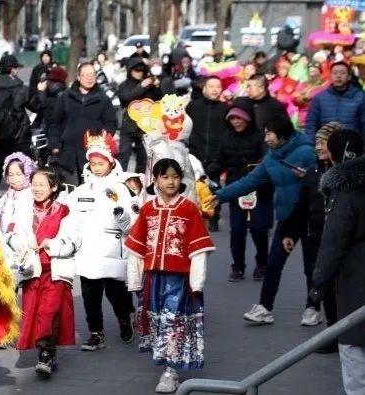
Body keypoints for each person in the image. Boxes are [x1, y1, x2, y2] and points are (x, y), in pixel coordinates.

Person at [211, 114, 316, 325]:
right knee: (274, 264)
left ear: (282, 134)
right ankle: (265, 308)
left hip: (310, 217)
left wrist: (309, 177)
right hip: (288, 219)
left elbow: (322, 180)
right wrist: (220, 196)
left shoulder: (307, 152)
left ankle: (313, 307)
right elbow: (249, 182)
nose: (266, 138)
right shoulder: (271, 158)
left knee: (311, 265)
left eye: (269, 133)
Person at [126, 158, 215, 394]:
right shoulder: (147, 210)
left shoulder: (188, 210)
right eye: (165, 177)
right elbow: (136, 248)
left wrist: (197, 282)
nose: (171, 181)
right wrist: (134, 281)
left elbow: (199, 250)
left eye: (175, 176)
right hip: (153, 279)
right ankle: (166, 363)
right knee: (156, 321)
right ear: (154, 180)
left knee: (173, 321)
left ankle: (170, 370)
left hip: (179, 279)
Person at [57, 131, 135, 351]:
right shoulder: (81, 191)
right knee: (90, 296)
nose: (97, 168)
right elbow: (71, 219)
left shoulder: (121, 189)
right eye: (93, 164)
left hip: (112, 251)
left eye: (101, 163)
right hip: (88, 252)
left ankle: (124, 319)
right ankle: (95, 332)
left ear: (110, 163)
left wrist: (123, 217)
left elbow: (132, 220)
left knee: (116, 293)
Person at [310, 128, 365, 395]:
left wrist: (319, 284)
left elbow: (333, 241)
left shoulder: (344, 191)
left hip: (356, 279)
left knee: (353, 346)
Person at [281, 122, 344, 340]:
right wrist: (289, 232)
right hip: (317, 238)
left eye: (323, 141)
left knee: (341, 289)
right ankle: (333, 335)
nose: (317, 147)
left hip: (342, 241)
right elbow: (301, 206)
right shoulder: (313, 172)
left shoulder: (347, 172)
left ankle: (344, 334)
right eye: (316, 141)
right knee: (325, 287)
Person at [14, 168, 74, 376]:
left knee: (49, 312)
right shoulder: (23, 209)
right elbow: (10, 234)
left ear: (54, 187)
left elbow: (73, 241)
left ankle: (46, 354)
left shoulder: (64, 210)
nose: (37, 189)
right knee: (32, 313)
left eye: (42, 184)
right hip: (32, 271)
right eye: (34, 184)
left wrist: (52, 244)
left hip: (54, 271)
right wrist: (22, 244)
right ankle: (44, 350)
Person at [211, 107, 272, 282]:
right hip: (235, 189)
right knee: (237, 231)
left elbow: (268, 161)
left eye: (240, 118)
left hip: (259, 188)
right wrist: (204, 174)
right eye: (232, 118)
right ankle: (238, 266)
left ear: (248, 118)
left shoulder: (261, 137)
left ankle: (262, 264)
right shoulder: (226, 137)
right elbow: (219, 162)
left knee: (258, 229)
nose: (236, 122)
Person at [47, 63, 119, 184]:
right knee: (70, 191)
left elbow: (111, 123)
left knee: (91, 191)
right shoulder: (65, 97)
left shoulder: (103, 99)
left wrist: (101, 140)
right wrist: (55, 145)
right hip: (67, 152)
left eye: (92, 75)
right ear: (79, 77)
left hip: (93, 152)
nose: (89, 78)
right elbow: (55, 122)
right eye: (85, 75)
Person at [0, 54, 36, 211]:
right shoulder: (22, 90)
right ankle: (30, 205)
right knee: (27, 171)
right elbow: (38, 106)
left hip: (0, 139)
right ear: (13, 70)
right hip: (21, 139)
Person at [186, 76, 228, 231]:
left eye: (218, 86)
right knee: (192, 187)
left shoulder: (226, 108)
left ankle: (213, 217)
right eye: (211, 86)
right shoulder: (193, 106)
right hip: (195, 154)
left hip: (216, 156)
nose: (215, 89)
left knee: (214, 188)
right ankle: (192, 217)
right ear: (204, 89)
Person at [0, 152, 38, 284]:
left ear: (28, 174)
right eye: (10, 175)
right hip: (7, 246)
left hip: (27, 245)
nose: (14, 178)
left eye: (19, 174)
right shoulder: (5, 197)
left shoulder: (32, 195)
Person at [117, 57, 162, 174]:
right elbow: (126, 97)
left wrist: (156, 86)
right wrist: (141, 86)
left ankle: (140, 181)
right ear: (130, 71)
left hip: (144, 126)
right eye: (136, 70)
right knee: (123, 155)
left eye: (141, 70)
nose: (139, 73)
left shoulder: (149, 84)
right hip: (128, 125)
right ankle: (120, 180)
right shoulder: (124, 85)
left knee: (143, 157)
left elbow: (158, 100)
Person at [304, 62, 365, 140]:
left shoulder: (360, 97)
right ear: (330, 76)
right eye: (335, 73)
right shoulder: (319, 98)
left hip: (351, 145)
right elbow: (311, 125)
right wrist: (312, 144)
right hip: (325, 146)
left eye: (342, 73)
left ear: (349, 77)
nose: (338, 76)